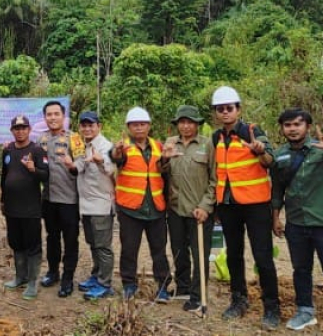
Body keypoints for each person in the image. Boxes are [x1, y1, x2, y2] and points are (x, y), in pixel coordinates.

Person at [210, 86, 280, 329]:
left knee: (263, 256)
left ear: (238, 110)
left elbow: (269, 160)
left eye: (230, 108)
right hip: (228, 205)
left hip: (256, 205)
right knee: (234, 255)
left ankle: (272, 306)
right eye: (221, 109)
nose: (225, 112)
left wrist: (260, 152)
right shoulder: (215, 138)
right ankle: (238, 300)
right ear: (216, 113)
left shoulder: (253, 131)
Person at [272, 109, 323, 331]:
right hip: (296, 223)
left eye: (298, 124)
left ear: (307, 126)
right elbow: (278, 190)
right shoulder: (280, 155)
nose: (293, 128)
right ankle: (305, 311)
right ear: (282, 128)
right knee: (300, 269)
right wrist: (276, 218)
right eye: (287, 125)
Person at [110, 107, 171, 302]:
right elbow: (116, 158)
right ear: (128, 127)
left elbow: (165, 170)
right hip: (130, 209)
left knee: (159, 250)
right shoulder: (123, 148)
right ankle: (129, 284)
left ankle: (162, 286)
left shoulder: (158, 146)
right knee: (129, 249)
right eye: (134, 125)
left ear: (149, 126)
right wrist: (117, 152)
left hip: (155, 207)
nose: (139, 128)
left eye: (142, 124)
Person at [162, 105, 216, 313]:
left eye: (190, 122)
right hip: (175, 208)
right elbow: (160, 173)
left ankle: (197, 295)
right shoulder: (170, 144)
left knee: (200, 254)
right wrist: (165, 158)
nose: (186, 126)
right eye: (182, 122)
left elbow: (215, 178)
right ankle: (182, 287)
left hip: (198, 211)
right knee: (178, 251)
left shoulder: (207, 145)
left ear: (197, 124)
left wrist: (205, 206)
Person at [0, 115, 48, 300]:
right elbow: (4, 176)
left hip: (31, 208)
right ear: (12, 131)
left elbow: (46, 175)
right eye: (16, 128)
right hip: (12, 208)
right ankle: (20, 276)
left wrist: (33, 169)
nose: (20, 131)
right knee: (16, 242)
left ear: (29, 130)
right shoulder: (8, 150)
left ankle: (32, 282)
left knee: (32, 245)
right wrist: (3, 199)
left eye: (23, 128)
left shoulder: (36, 150)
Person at [37, 100, 82, 298]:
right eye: (49, 114)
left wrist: (73, 166)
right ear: (45, 117)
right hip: (48, 199)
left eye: (56, 114)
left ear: (64, 116)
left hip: (70, 200)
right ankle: (53, 272)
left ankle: (68, 278)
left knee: (70, 240)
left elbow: (82, 164)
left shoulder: (75, 138)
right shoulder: (42, 139)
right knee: (52, 238)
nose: (53, 118)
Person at [74, 112, 116, 300]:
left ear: (99, 126)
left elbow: (113, 172)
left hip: (101, 205)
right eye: (83, 125)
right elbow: (79, 168)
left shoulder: (106, 147)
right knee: (93, 244)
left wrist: (100, 162)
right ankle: (96, 275)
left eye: (90, 125)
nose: (87, 128)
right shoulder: (83, 146)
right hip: (86, 205)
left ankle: (105, 284)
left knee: (103, 246)